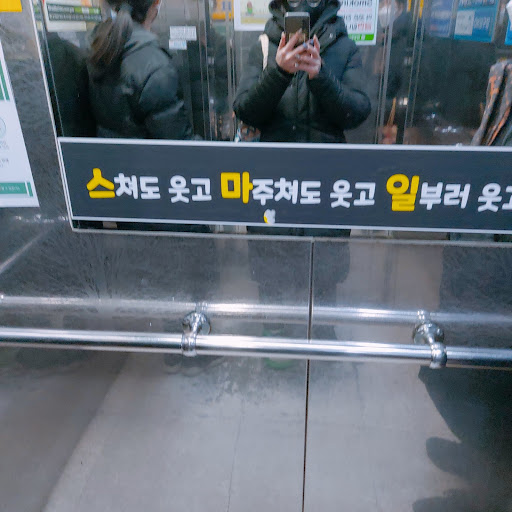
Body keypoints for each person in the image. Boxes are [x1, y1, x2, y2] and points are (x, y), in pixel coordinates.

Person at [233, 0, 371, 143]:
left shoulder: (344, 47)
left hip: (326, 154)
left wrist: (321, 77)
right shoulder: (264, 47)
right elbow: (245, 112)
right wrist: (279, 73)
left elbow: (357, 114)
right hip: (275, 154)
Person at [87, 0, 194, 139]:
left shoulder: (97, 45)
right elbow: (176, 141)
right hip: (146, 153)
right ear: (156, 3)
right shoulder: (156, 66)